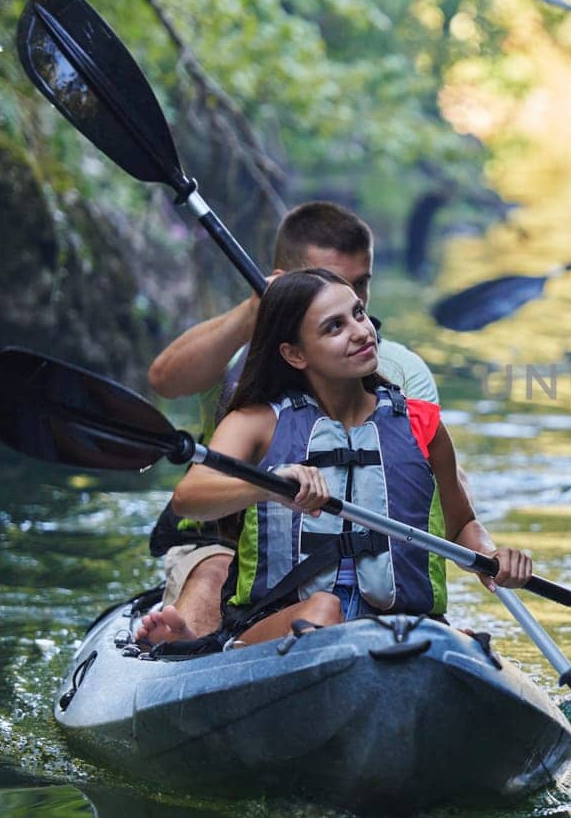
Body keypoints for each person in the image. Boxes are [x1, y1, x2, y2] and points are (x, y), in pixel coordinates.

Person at [135, 268, 530, 646]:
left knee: (456, 640)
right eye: (334, 327)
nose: (361, 332)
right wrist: (266, 488)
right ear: (294, 354)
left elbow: (462, 527)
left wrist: (493, 555)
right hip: (282, 622)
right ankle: (201, 647)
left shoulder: (421, 424)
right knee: (324, 609)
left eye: (358, 313)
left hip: (400, 624)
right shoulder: (256, 421)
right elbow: (189, 497)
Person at [139, 202, 438, 643]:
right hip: (224, 533)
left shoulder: (398, 368)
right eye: (326, 280)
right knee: (217, 572)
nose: (343, 296)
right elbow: (164, 380)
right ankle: (191, 650)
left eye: (358, 286)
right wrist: (254, 312)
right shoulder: (242, 355)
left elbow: (427, 470)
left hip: (358, 551)